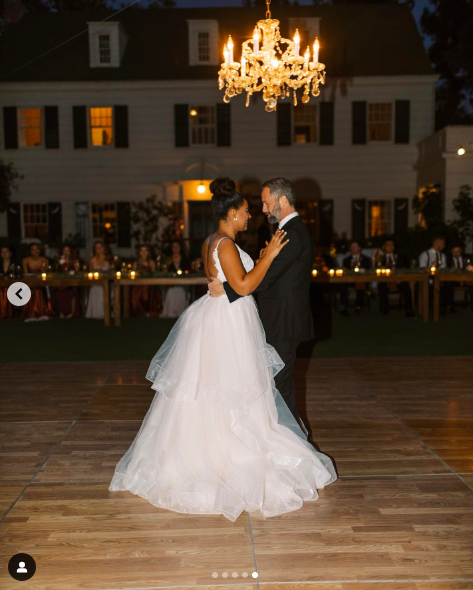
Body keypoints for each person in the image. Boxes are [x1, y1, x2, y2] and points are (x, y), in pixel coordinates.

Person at [109, 177, 337, 522]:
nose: (251, 216)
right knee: (233, 387)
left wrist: (254, 265)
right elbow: (244, 285)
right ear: (231, 213)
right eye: (246, 211)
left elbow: (236, 280)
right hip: (229, 321)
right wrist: (269, 255)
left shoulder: (213, 240)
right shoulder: (226, 244)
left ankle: (219, 448)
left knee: (223, 387)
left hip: (222, 316)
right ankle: (225, 453)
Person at [209, 177, 317, 429]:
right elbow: (271, 274)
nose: (264, 209)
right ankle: (292, 441)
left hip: (284, 322)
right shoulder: (289, 231)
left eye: (267, 203)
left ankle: (297, 445)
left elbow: (266, 280)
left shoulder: (293, 234)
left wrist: (227, 289)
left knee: (280, 386)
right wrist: (262, 262)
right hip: (279, 319)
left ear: (282, 199)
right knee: (276, 385)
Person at [375, 238, 415, 317]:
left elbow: (404, 268)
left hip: (398, 279)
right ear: (384, 247)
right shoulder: (380, 257)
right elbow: (377, 268)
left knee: (406, 287)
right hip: (385, 279)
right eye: (388, 245)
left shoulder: (400, 256)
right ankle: (384, 308)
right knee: (381, 286)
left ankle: (408, 310)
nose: (390, 247)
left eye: (392, 245)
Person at [160, 240, 192, 318]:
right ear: (171, 248)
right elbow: (164, 272)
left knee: (180, 290)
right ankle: (170, 312)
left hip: (182, 283)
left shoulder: (185, 259)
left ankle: (180, 313)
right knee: (171, 291)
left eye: (177, 246)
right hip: (170, 283)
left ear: (180, 247)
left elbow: (189, 271)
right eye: (174, 247)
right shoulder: (167, 259)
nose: (176, 248)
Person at [22, 242, 52, 321]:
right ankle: (30, 314)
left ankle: (42, 313)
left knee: (39, 291)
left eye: (37, 249)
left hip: (41, 283)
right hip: (29, 283)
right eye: (33, 249)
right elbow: (26, 274)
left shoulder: (44, 260)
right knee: (31, 291)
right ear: (30, 251)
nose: (35, 251)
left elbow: (46, 274)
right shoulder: (25, 260)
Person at [339, 241, 371, 315]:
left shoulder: (366, 259)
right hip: (349, 281)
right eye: (352, 247)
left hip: (361, 280)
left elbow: (369, 271)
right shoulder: (346, 260)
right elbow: (344, 271)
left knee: (360, 283)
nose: (354, 248)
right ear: (350, 249)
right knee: (342, 285)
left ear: (359, 248)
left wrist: (363, 271)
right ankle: (343, 306)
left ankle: (358, 305)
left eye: (356, 246)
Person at [131, 245, 162, 317]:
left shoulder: (151, 262)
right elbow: (134, 276)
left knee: (149, 289)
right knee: (136, 291)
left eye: (145, 251)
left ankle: (149, 311)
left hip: (149, 284)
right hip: (138, 285)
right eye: (142, 251)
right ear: (139, 253)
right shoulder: (136, 263)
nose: (144, 253)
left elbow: (154, 275)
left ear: (148, 252)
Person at [419, 234, 447, 314]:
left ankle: (443, 308)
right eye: (443, 243)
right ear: (437, 243)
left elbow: (444, 268)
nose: (444, 246)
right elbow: (422, 268)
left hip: (440, 280)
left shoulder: (443, 256)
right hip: (428, 280)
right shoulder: (425, 254)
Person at [85, 240, 110, 319]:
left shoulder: (109, 259)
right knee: (96, 288)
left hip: (107, 282)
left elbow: (112, 271)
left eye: (101, 247)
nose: (99, 250)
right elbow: (91, 273)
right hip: (95, 282)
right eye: (97, 248)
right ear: (95, 250)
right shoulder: (92, 260)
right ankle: (95, 313)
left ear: (104, 248)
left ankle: (106, 312)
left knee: (104, 288)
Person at [445, 243, 473, 312]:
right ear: (451, 251)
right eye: (454, 252)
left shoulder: (467, 257)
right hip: (453, 280)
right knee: (448, 284)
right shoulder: (447, 258)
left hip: (466, 279)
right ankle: (450, 305)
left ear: (461, 251)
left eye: (458, 251)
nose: (456, 254)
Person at [55, 245, 80, 319]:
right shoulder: (59, 260)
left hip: (71, 283)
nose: (66, 252)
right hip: (61, 283)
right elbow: (56, 271)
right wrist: (61, 264)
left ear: (71, 252)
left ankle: (71, 313)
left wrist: (75, 266)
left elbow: (77, 271)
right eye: (64, 250)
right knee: (59, 292)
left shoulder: (75, 260)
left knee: (71, 292)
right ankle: (61, 312)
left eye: (68, 250)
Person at [0, 245, 15, 319]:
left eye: (6, 252)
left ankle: (9, 312)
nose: (4, 253)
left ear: (10, 253)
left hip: (12, 285)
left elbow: (19, 275)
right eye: (2, 252)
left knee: (6, 290)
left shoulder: (15, 264)